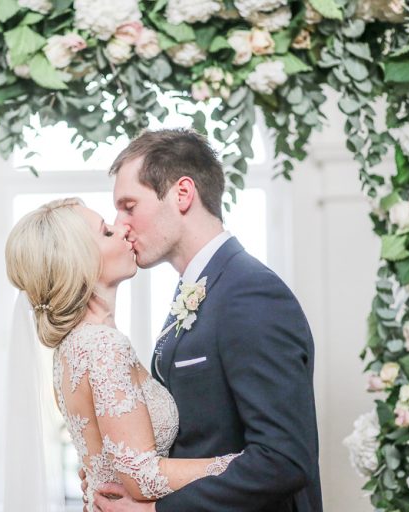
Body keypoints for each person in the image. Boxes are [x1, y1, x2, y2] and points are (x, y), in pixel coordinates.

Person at [88, 128, 322, 511]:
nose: (121, 224)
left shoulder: (251, 293)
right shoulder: (196, 290)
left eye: (129, 206)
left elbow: (283, 460)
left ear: (182, 194)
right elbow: (195, 435)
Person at [5, 197, 241, 511]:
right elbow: (143, 476)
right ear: (81, 262)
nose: (121, 231)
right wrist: (242, 464)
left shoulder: (74, 347)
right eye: (106, 232)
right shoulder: (103, 347)